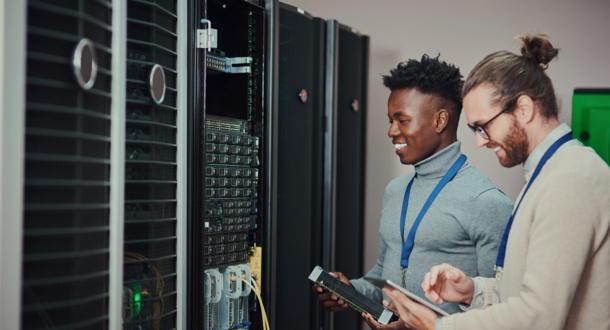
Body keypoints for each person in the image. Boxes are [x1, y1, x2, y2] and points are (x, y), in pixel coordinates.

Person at [383, 34, 610, 330]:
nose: (479, 142)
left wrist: (436, 327)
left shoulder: (572, 178)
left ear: (524, 109)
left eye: (484, 127)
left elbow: (540, 315)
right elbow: (526, 293)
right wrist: (473, 291)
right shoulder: (547, 174)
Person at [311, 55, 514, 329]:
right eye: (390, 120)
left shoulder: (485, 201)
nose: (391, 131)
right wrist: (352, 291)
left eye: (402, 120)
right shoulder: (395, 191)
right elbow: (384, 276)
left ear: (440, 121)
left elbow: (501, 310)